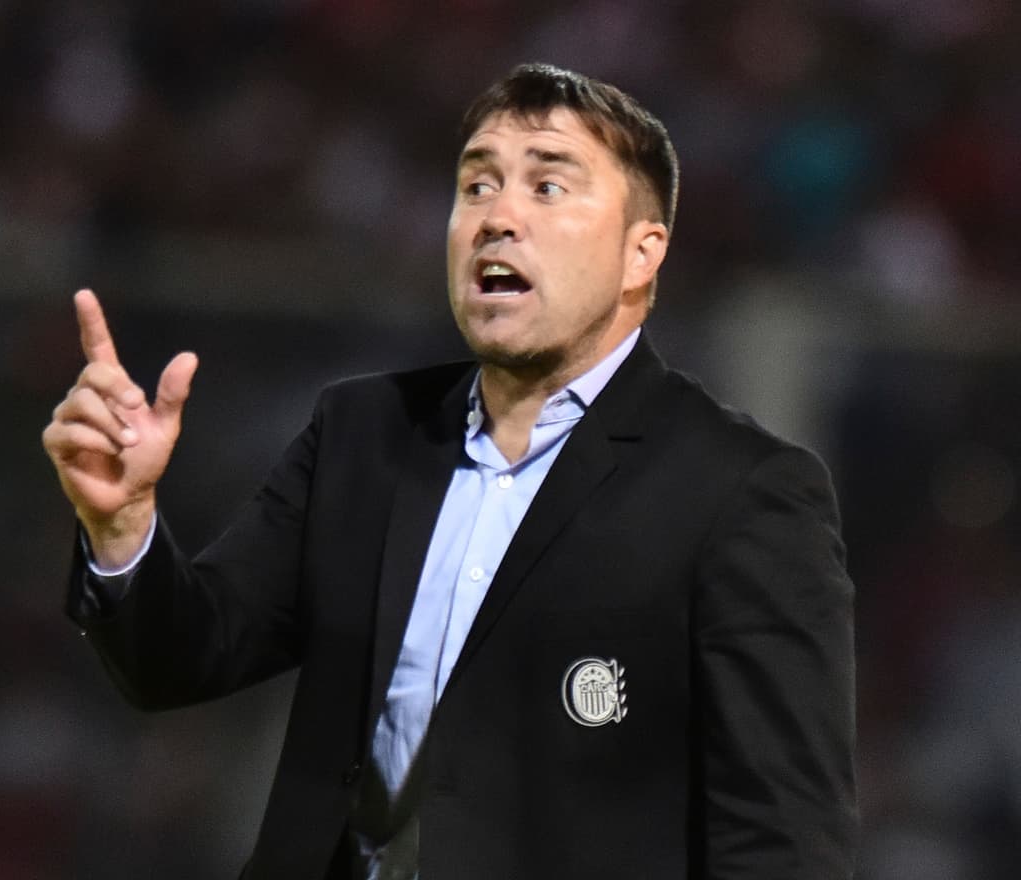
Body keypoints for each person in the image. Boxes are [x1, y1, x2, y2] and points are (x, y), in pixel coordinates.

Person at [42, 63, 857, 879]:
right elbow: (182, 658)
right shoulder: (361, 433)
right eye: (476, 186)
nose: (497, 216)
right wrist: (122, 528)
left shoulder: (743, 491)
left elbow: (784, 843)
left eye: (547, 187)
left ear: (641, 253)